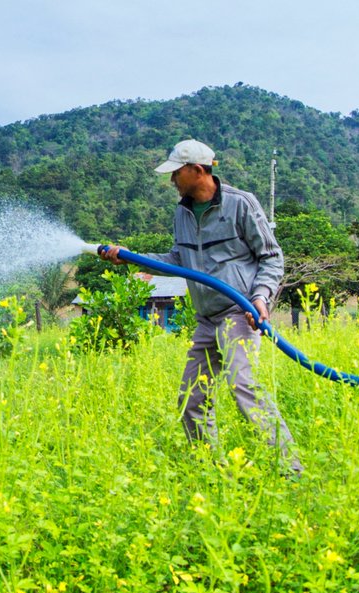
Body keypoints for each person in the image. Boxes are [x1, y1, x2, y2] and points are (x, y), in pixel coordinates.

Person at [100, 139, 303, 476]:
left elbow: (271, 257)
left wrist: (260, 297)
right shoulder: (182, 212)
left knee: (243, 386)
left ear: (197, 170)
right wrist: (131, 257)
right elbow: (178, 260)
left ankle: (291, 470)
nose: (172, 180)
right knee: (192, 399)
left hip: (239, 312)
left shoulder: (240, 204)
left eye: (176, 172)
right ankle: (211, 470)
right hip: (206, 319)